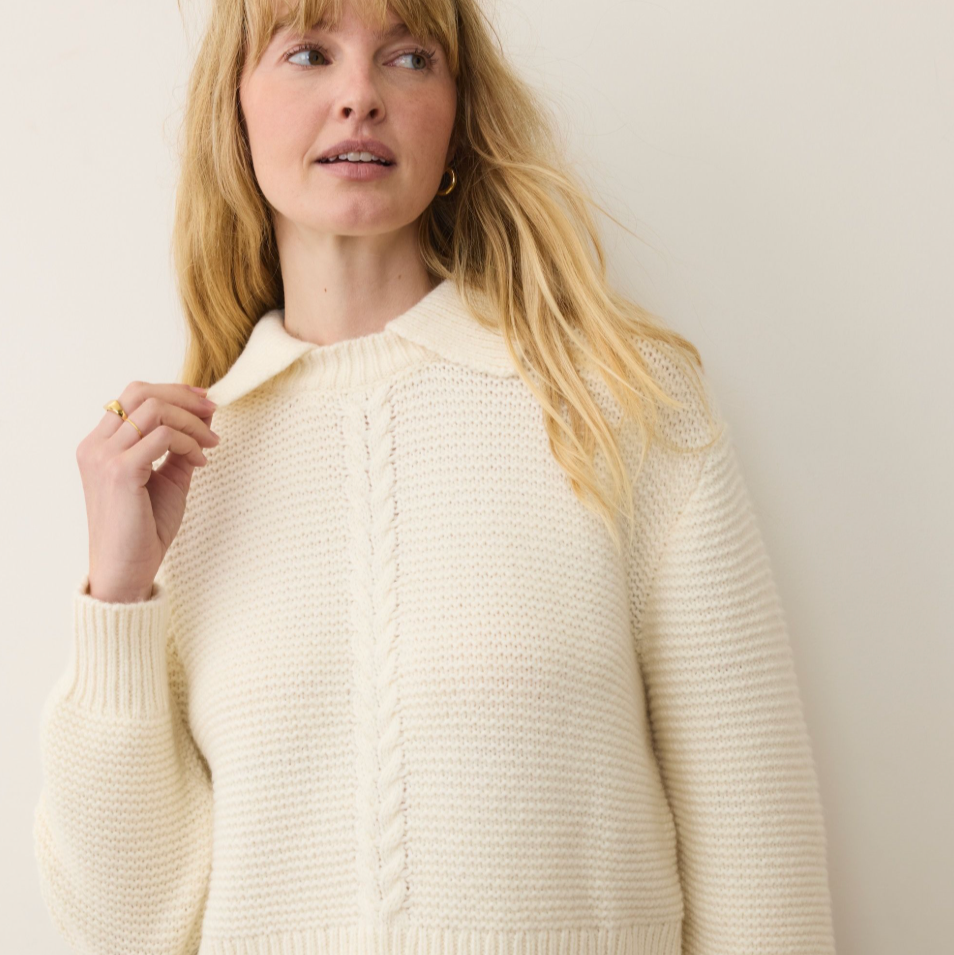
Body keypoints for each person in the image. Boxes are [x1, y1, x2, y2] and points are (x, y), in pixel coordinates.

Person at [32, 0, 837, 953]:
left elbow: (759, 854)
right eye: (309, 53)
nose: (359, 96)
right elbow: (122, 928)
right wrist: (119, 598)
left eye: (409, 57)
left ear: (456, 114)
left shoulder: (620, 405)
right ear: (233, 111)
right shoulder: (182, 476)